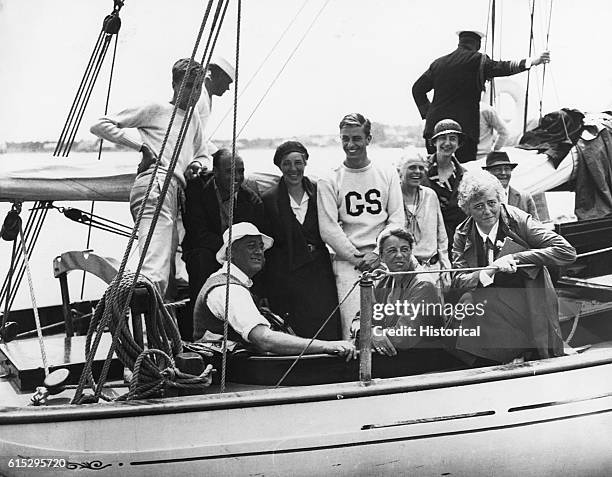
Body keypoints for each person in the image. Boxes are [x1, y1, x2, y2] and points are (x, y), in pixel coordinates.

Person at [90, 58, 209, 296]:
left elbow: (203, 154)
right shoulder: (156, 109)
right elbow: (100, 125)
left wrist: (195, 165)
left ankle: (158, 327)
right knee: (154, 271)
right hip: (155, 184)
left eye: (198, 87)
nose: (194, 94)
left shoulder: (192, 118)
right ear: (175, 84)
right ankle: (132, 313)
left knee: (169, 272)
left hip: (174, 191)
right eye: (188, 86)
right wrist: (140, 147)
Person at [450, 170, 576, 366]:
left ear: (500, 200)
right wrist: (490, 270)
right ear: (467, 209)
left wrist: (515, 257)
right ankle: (494, 365)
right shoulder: (462, 233)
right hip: (489, 300)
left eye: (492, 203)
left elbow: (566, 251)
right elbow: (458, 280)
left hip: (527, 298)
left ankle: (514, 356)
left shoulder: (519, 220)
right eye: (478, 206)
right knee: (462, 311)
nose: (487, 211)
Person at [193, 222, 356, 360]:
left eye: (261, 247)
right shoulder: (229, 288)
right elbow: (265, 339)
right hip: (231, 380)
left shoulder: (234, 283)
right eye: (251, 246)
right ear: (230, 253)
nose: (259, 252)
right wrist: (327, 346)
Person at [317, 113, 405, 339]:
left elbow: (396, 219)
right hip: (349, 264)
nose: (350, 145)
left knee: (388, 324)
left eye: (356, 138)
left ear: (368, 139)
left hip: (382, 260)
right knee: (354, 328)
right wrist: (357, 259)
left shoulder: (387, 173)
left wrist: (377, 253)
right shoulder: (330, 178)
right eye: (345, 139)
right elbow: (328, 228)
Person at [412, 29, 550, 163]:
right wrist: (532, 61)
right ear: (477, 44)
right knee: (463, 176)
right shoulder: (478, 60)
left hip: (434, 131)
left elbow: (417, 89)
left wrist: (428, 113)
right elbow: (503, 67)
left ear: (459, 42)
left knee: (435, 170)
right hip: (463, 134)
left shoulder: (438, 63)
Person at [182, 148, 265, 339]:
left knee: (259, 261)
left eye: (241, 171)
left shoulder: (251, 201)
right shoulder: (197, 191)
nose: (236, 177)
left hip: (237, 255)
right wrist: (227, 249)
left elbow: (255, 238)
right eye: (230, 171)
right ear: (216, 172)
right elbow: (197, 232)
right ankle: (197, 331)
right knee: (201, 259)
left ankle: (252, 322)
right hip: (207, 251)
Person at [261, 141, 340, 340]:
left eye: (298, 162)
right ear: (279, 166)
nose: (293, 169)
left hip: (318, 271)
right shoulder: (269, 199)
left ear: (305, 163)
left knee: (324, 323)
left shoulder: (319, 191)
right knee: (293, 327)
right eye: (286, 163)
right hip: (286, 273)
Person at [370, 227, 443, 356]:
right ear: (381, 257)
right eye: (392, 251)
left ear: (411, 252)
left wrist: (373, 333)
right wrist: (370, 331)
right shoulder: (384, 280)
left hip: (423, 356)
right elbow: (361, 318)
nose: (399, 255)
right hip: (394, 354)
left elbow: (403, 337)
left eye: (405, 250)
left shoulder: (423, 284)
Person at [399, 154, 451, 293]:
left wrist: (445, 266)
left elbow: (441, 235)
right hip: (405, 273)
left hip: (432, 270)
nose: (417, 171)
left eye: (421, 168)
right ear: (400, 171)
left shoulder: (430, 195)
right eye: (412, 167)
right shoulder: (393, 196)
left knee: (434, 312)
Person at [420, 119, 467, 246]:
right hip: (423, 235)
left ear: (458, 143)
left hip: (453, 239)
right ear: (434, 142)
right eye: (442, 138)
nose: (447, 143)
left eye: (452, 138)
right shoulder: (420, 169)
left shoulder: (465, 176)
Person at [482, 151, 539, 219]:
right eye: (498, 169)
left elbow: (535, 225)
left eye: (507, 169)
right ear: (488, 172)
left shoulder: (524, 197)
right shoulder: (480, 197)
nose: (503, 173)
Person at [196, 56, 235, 152]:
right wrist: (217, 153)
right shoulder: (198, 97)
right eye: (227, 83)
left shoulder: (206, 96)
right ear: (219, 77)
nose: (228, 88)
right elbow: (192, 135)